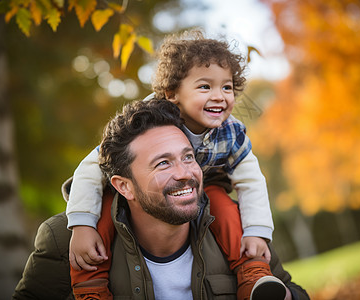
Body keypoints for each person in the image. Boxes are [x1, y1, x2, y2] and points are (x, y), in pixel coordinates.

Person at [13, 100, 309, 300]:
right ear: (123, 186)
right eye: (163, 164)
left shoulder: (239, 224)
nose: (185, 174)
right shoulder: (63, 241)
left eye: (188, 157)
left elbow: (293, 290)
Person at [68, 30, 281, 300]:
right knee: (108, 211)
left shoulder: (231, 132)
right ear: (172, 92)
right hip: (130, 190)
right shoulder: (145, 120)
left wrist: (257, 232)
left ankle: (253, 274)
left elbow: (251, 180)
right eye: (205, 87)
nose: (220, 96)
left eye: (226, 87)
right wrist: (81, 224)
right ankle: (91, 288)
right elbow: (90, 169)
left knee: (225, 207)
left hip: (203, 187)